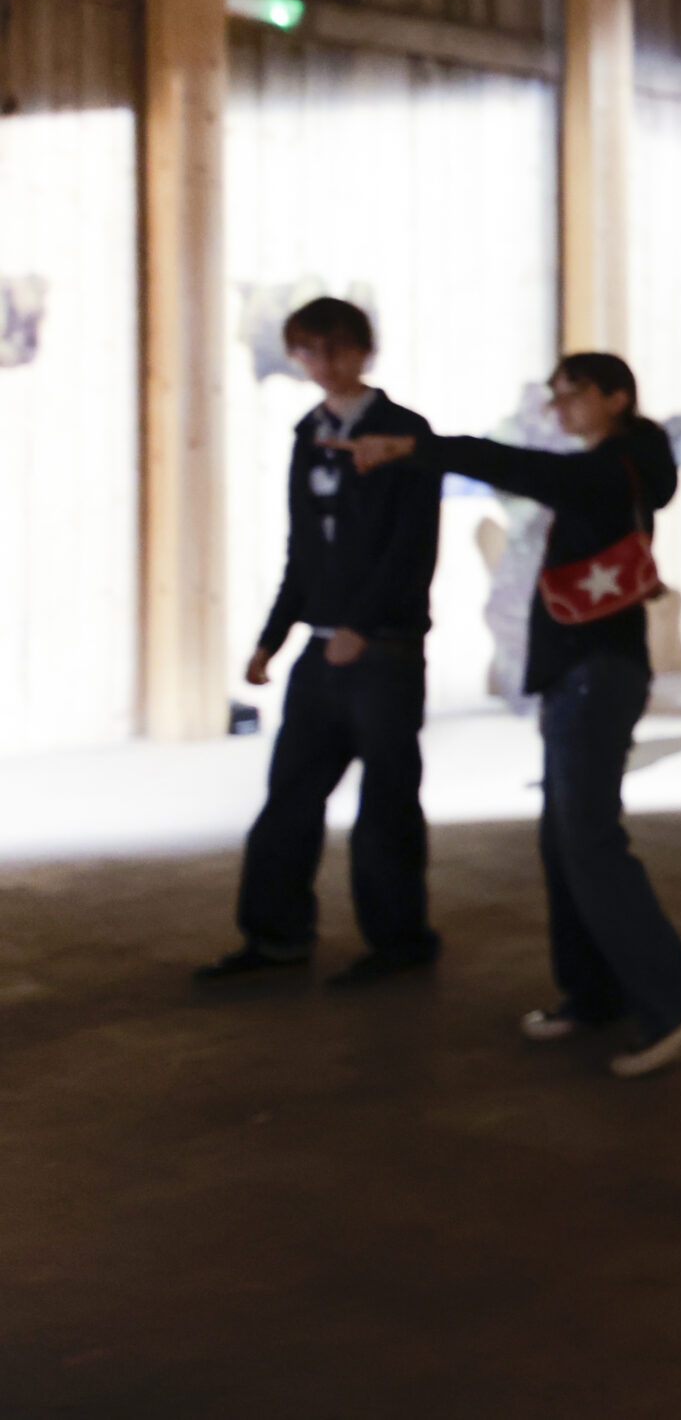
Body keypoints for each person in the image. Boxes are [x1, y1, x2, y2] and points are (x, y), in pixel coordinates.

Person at [338, 354, 681, 1077]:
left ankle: (675, 1001)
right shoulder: (617, 467)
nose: (559, 408)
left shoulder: (608, 470)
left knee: (590, 842)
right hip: (578, 675)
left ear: (617, 398)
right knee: (565, 841)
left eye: (573, 394)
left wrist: (413, 447)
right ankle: (593, 994)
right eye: (554, 396)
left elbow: (512, 465)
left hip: (594, 677)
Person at [197, 298, 444, 988]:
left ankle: (400, 940)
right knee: (290, 795)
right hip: (321, 645)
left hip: (386, 649)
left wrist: (363, 626)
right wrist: (272, 638)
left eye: (336, 349)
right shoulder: (308, 433)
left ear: (365, 351)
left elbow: (412, 547)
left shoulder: (405, 433)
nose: (323, 364)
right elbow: (303, 549)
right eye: (308, 351)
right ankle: (275, 936)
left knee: (386, 802)